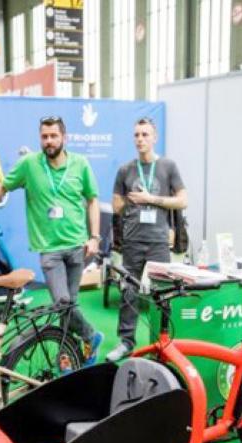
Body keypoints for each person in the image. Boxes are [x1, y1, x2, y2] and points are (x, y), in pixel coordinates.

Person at [0, 115, 104, 364]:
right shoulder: (29, 164)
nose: (49, 141)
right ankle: (91, 336)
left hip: (77, 246)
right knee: (62, 303)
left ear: (64, 138)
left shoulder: (80, 164)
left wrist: (94, 237)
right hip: (50, 250)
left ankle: (66, 355)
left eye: (53, 136)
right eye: (44, 136)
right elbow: (1, 188)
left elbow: (92, 200)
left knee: (70, 305)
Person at [105, 117, 187, 363]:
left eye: (145, 134)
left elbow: (183, 200)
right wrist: (131, 200)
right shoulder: (125, 170)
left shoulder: (168, 166)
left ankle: (162, 343)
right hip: (132, 241)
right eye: (137, 135)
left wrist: (151, 199)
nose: (140, 139)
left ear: (154, 138)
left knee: (162, 294)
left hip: (158, 241)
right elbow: (116, 205)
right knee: (128, 291)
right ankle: (126, 342)